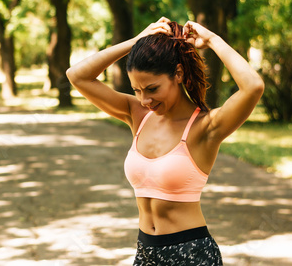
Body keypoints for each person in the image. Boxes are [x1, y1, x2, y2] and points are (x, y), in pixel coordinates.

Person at [66, 17, 264, 265]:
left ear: (178, 74)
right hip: (146, 251)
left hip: (191, 253)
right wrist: (136, 42)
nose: (144, 100)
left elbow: (253, 86)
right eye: (136, 90)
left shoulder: (206, 127)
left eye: (152, 89)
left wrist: (212, 39)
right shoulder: (138, 115)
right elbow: (77, 76)